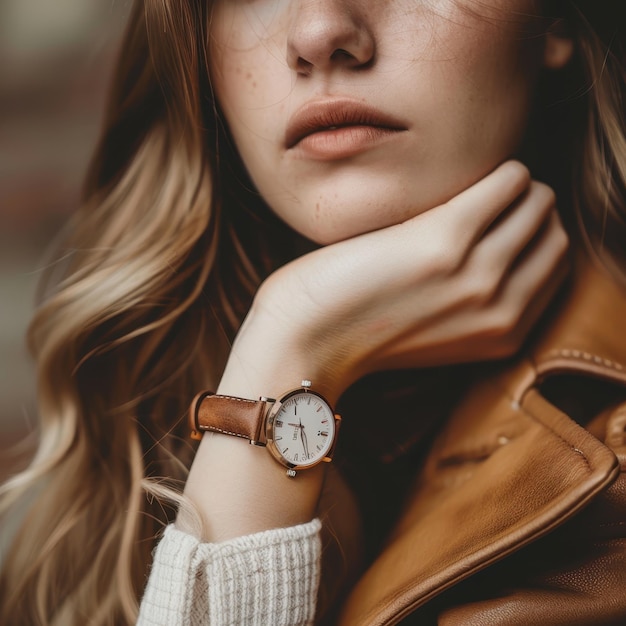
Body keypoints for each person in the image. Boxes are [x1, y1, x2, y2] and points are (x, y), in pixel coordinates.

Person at [1, 0, 624, 624]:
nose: (320, 33)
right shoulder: (141, 416)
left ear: (557, 19)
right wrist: (292, 341)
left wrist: (287, 347)